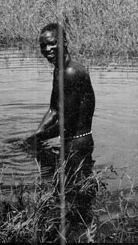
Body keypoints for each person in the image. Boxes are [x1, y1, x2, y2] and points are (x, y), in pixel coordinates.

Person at [25, 23, 95, 179]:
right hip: (69, 143)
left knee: (77, 195)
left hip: (78, 146)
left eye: (52, 43)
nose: (47, 49)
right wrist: (37, 134)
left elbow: (67, 123)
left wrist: (38, 138)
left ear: (64, 42)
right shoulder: (59, 70)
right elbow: (54, 110)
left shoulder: (71, 72)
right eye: (43, 46)